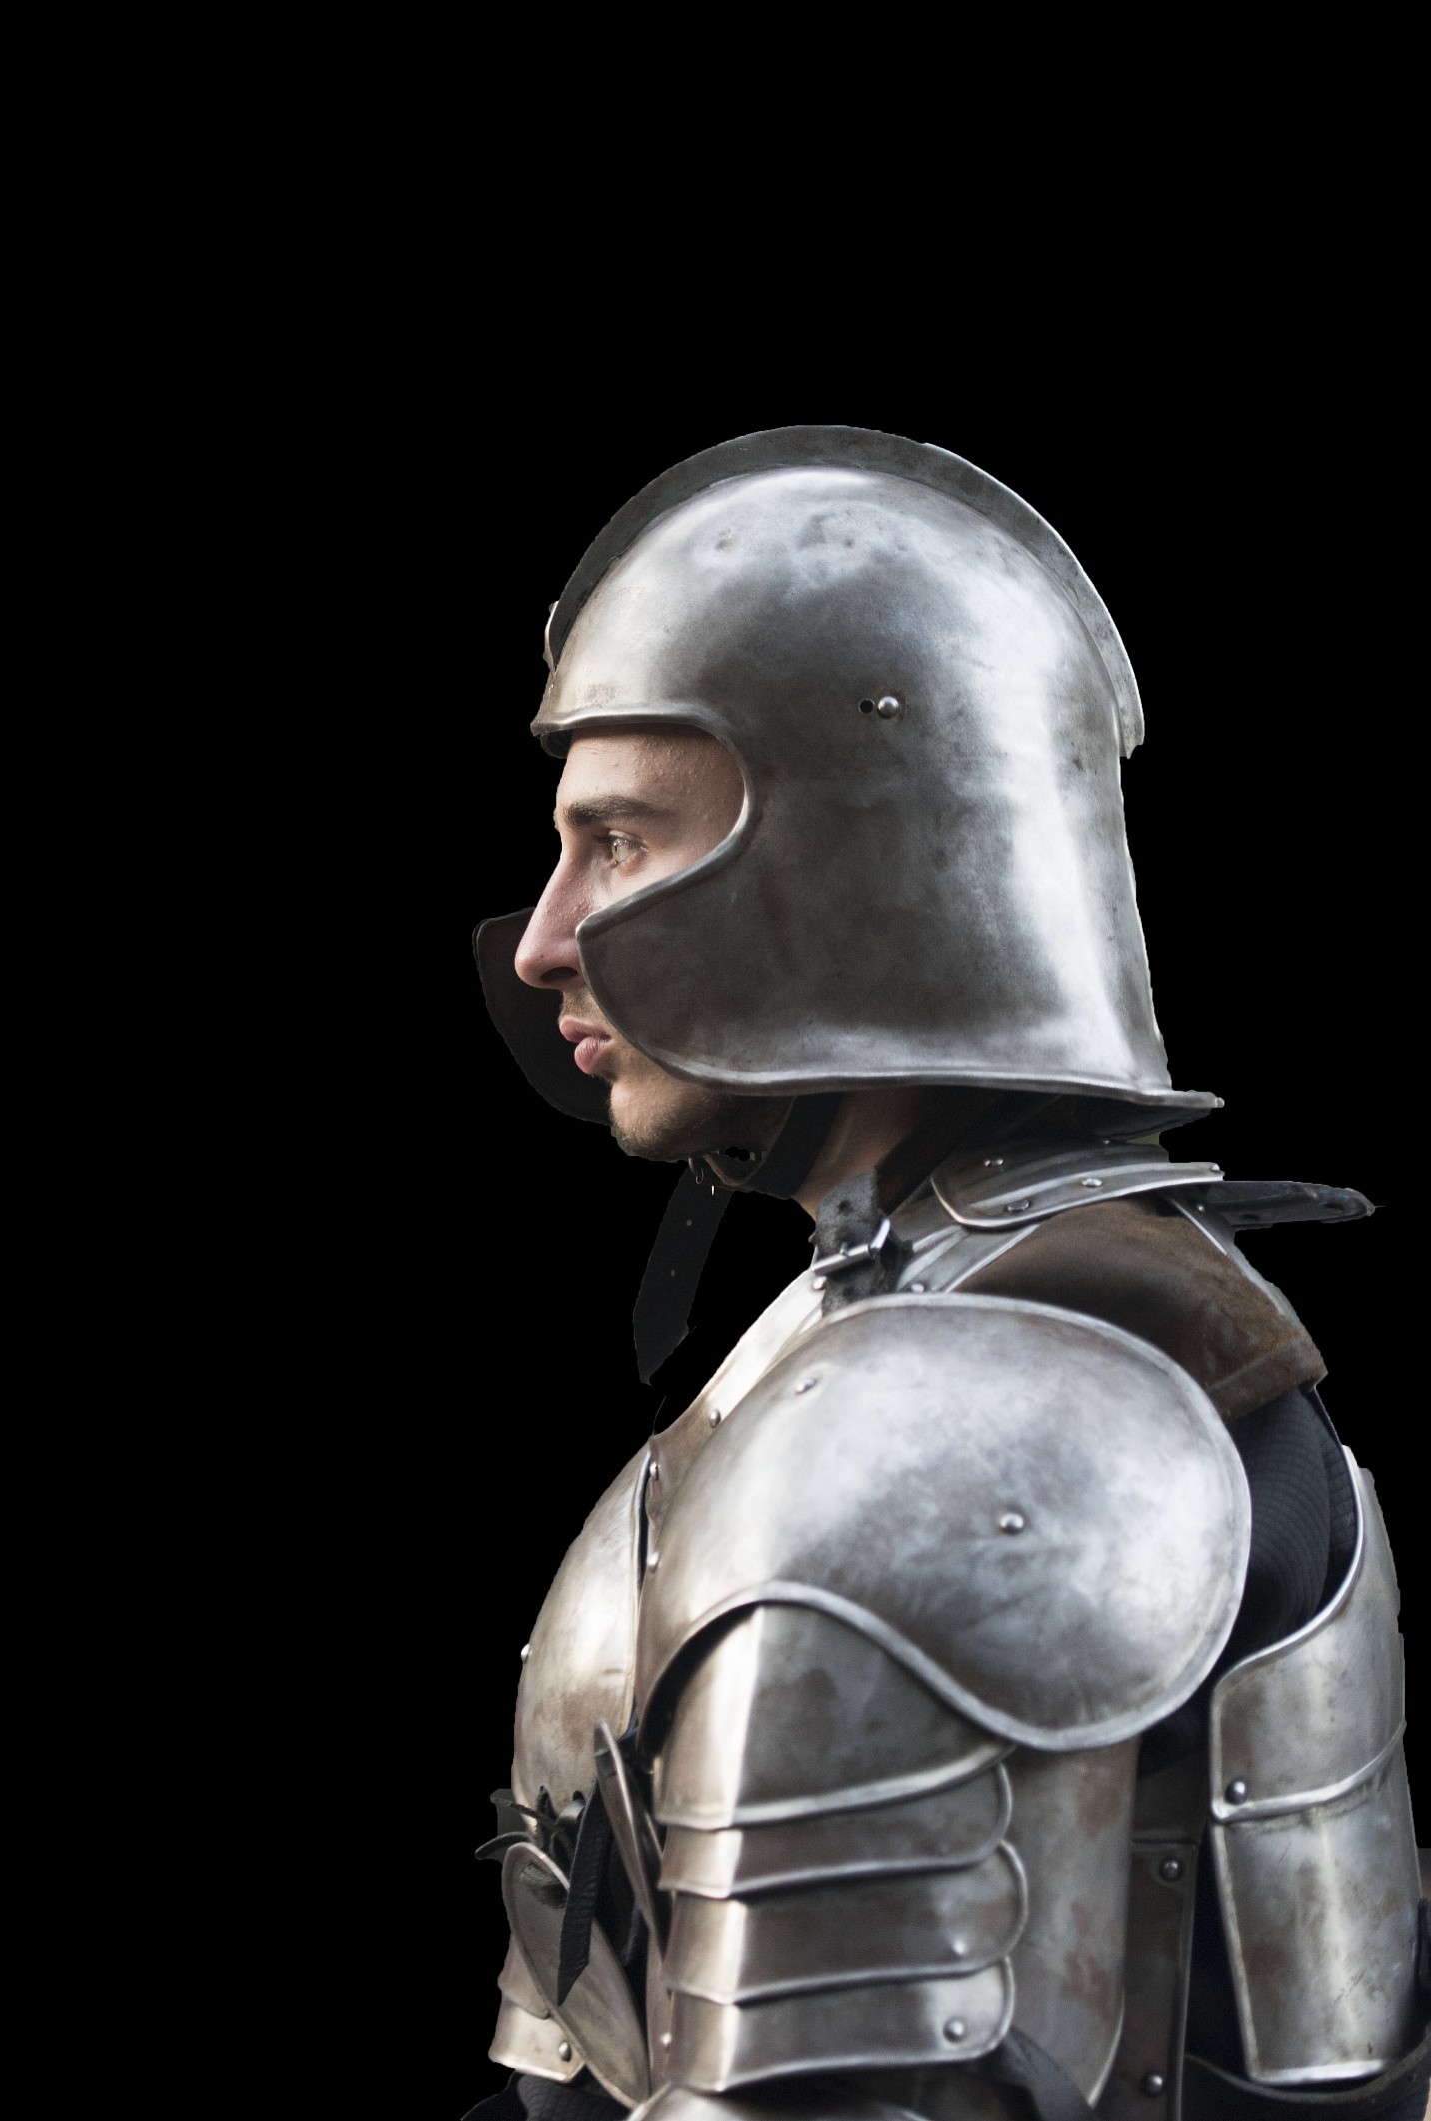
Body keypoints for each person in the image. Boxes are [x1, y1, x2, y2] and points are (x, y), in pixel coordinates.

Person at [467, 428, 1429, 2121]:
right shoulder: (887, 1321)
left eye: (614, 841)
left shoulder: (973, 1398)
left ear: (839, 872)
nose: (545, 936)